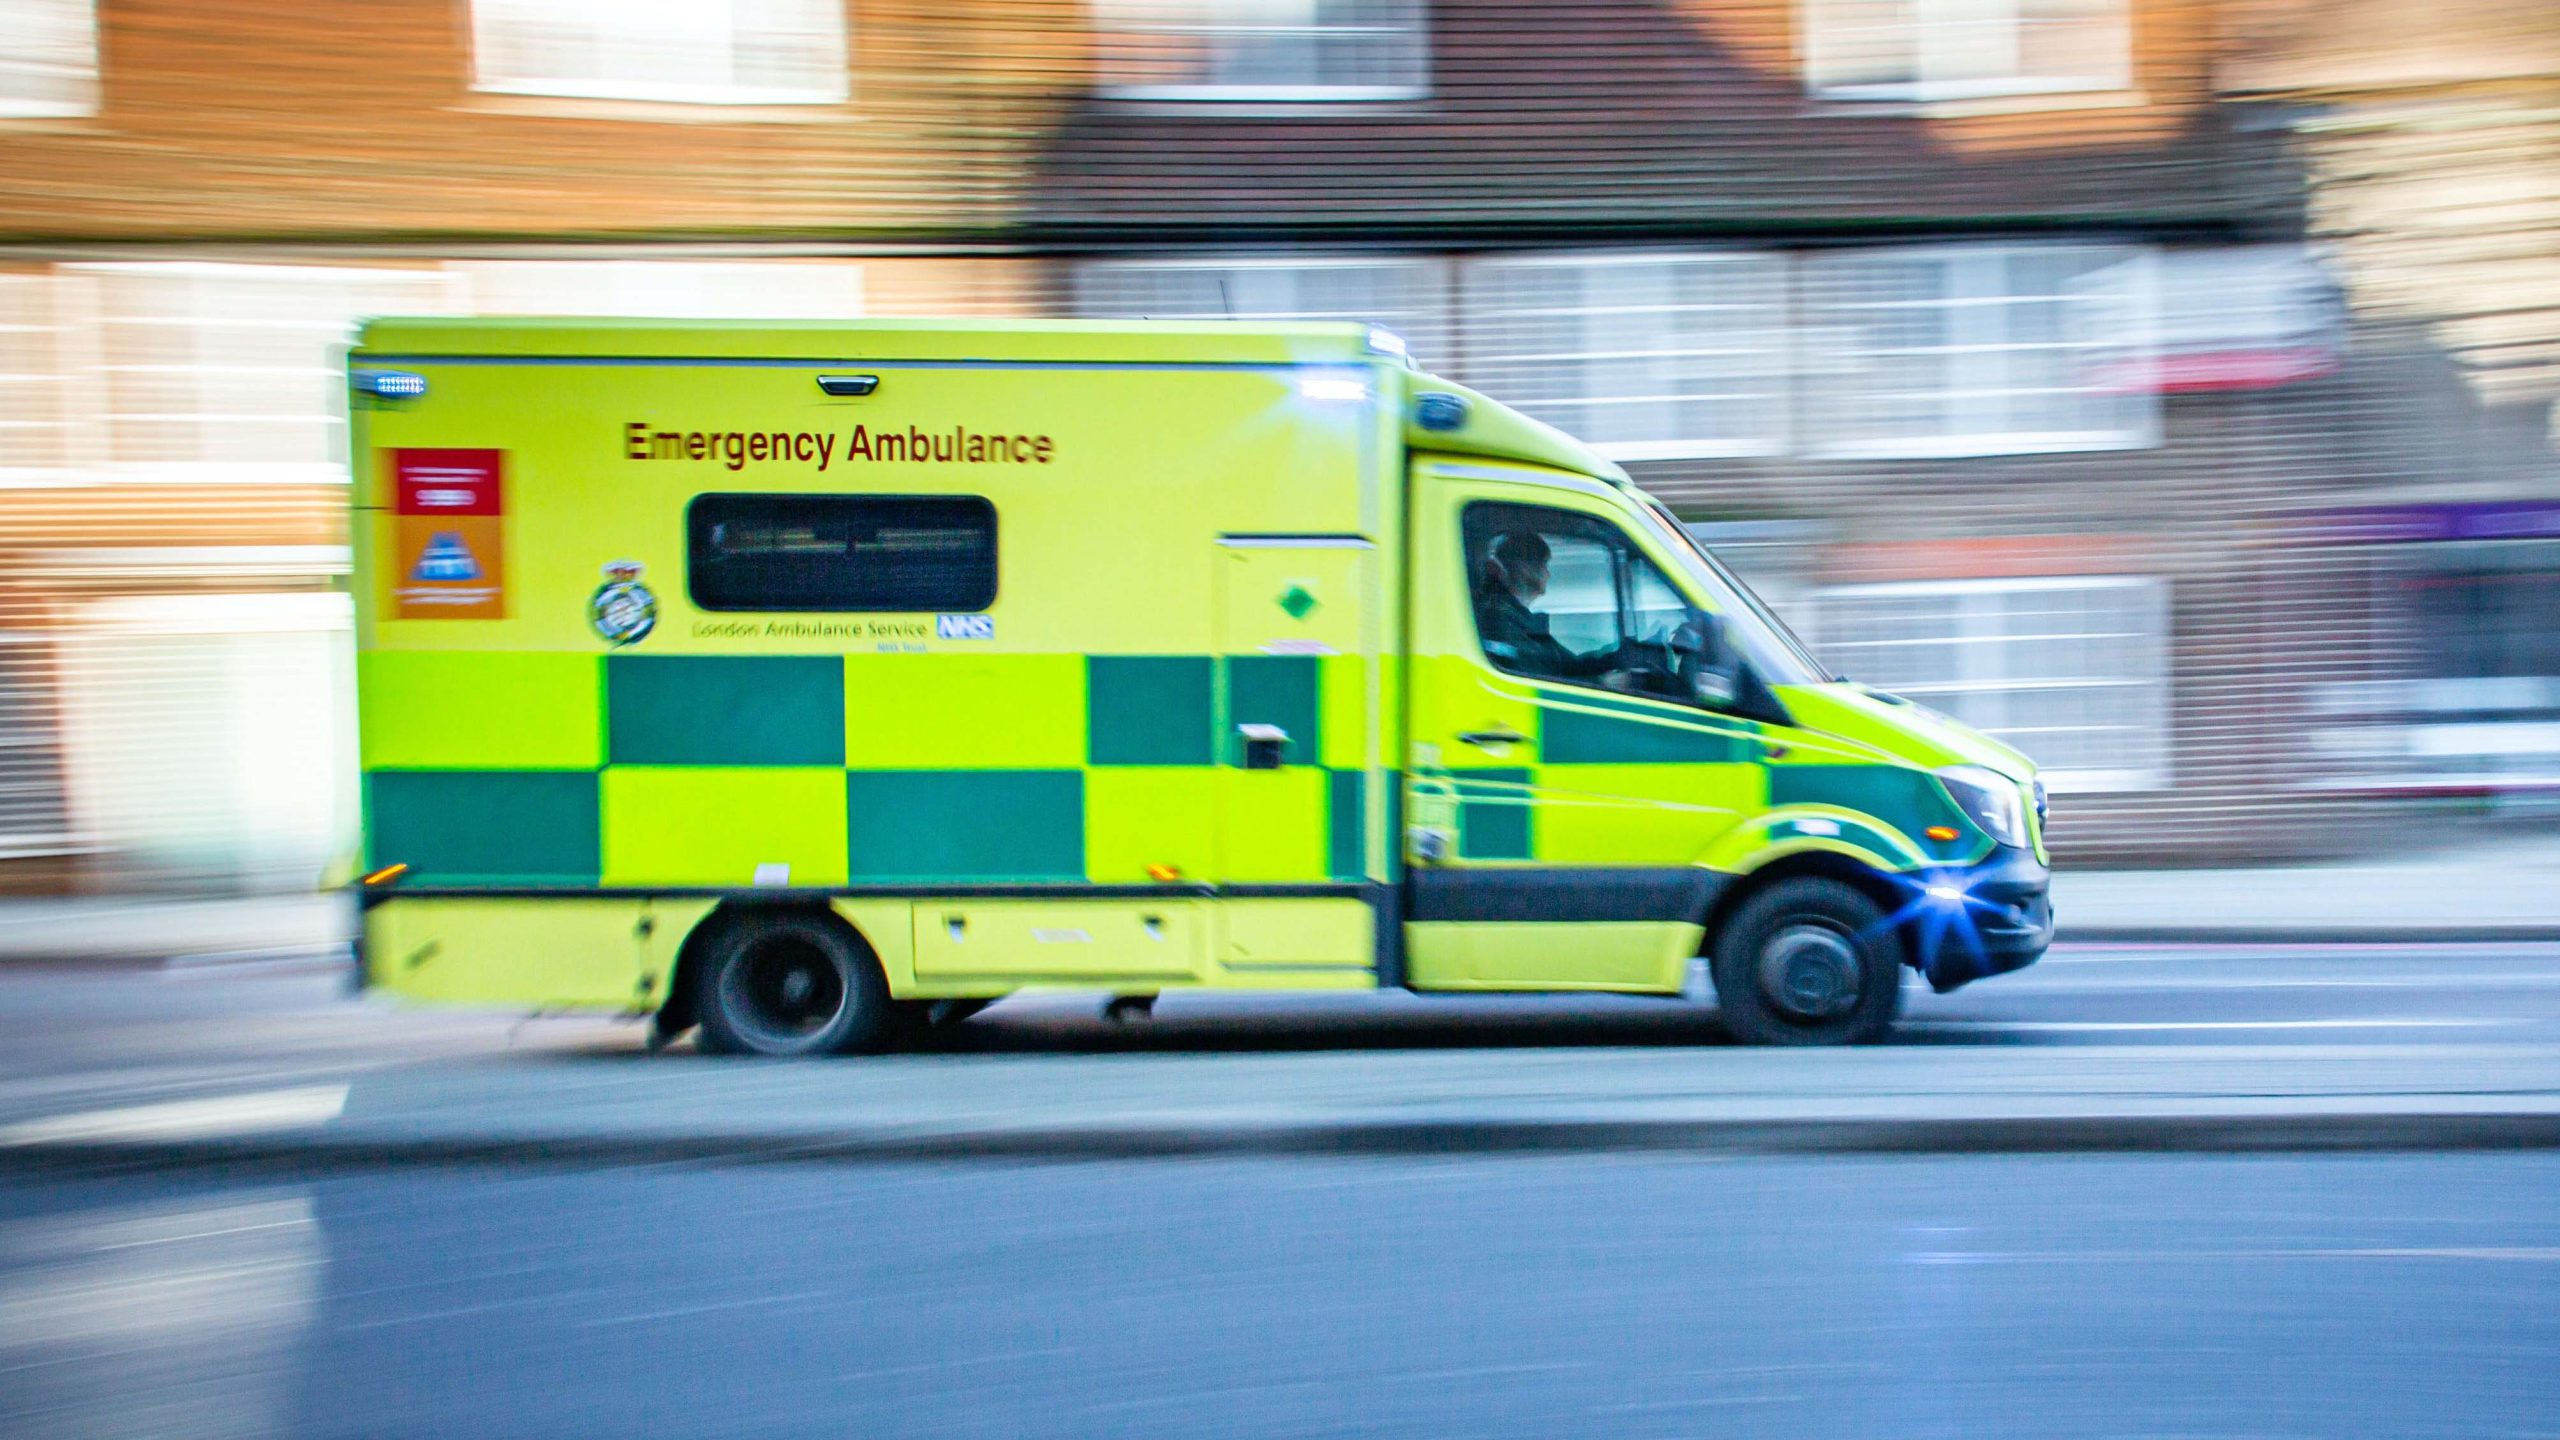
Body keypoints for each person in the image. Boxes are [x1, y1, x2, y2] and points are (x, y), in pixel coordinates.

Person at [1474, 530, 1618, 683]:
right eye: (1544, 565)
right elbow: (1535, 677)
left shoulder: (1523, 620)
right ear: (1525, 569)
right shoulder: (1500, 620)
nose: (1548, 574)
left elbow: (1567, 665)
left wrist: (1616, 658)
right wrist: (1601, 683)